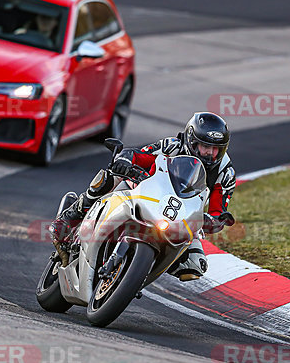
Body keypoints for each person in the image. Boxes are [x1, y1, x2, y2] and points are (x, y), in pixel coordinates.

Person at [49, 112, 236, 281]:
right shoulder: (171, 146)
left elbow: (218, 210)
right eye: (205, 146)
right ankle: (71, 216)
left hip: (182, 217)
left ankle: (138, 274)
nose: (210, 153)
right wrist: (125, 160)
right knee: (110, 177)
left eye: (216, 149)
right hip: (148, 194)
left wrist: (214, 220)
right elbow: (139, 155)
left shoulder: (224, 173)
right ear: (191, 140)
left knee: (195, 266)